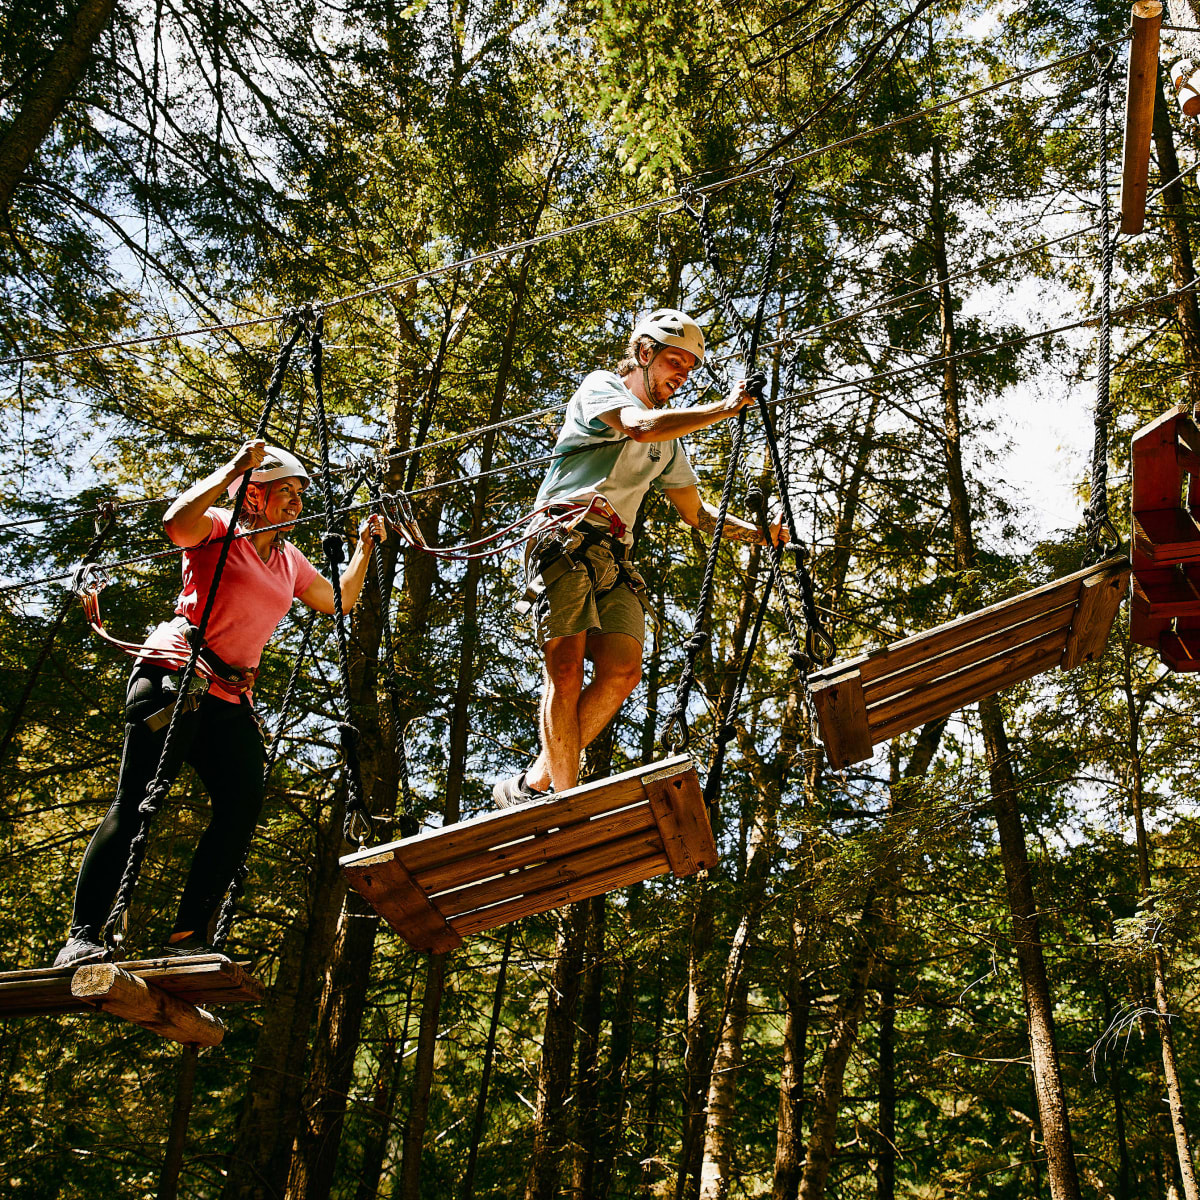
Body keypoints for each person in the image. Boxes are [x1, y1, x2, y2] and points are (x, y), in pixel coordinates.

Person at [53, 440, 385, 966]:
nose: (297, 503)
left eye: (300, 494)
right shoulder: (216, 528)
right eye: (285, 493)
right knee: (137, 800)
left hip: (228, 695)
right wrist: (233, 468)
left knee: (241, 804)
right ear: (252, 496)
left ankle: (186, 937)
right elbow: (175, 525)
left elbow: (337, 601)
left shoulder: (289, 560)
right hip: (174, 676)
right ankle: (83, 935)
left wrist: (365, 548)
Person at [492, 308, 786, 807]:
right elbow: (639, 426)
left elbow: (698, 514)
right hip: (564, 535)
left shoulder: (669, 446)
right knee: (565, 668)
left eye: (689, 370)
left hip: (613, 553)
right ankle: (567, 800)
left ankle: (532, 785)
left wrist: (761, 535)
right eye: (675, 361)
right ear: (645, 353)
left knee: (623, 671)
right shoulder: (603, 387)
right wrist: (724, 408)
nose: (682, 376)